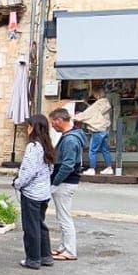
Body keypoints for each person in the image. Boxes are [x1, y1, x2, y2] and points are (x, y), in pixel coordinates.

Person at [12, 114, 56, 269]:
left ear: (34, 128)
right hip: (43, 192)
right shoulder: (47, 145)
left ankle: (33, 258)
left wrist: (17, 183)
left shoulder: (33, 147)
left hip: (32, 193)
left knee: (31, 227)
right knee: (40, 224)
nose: (27, 129)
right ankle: (46, 256)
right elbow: (50, 169)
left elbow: (28, 171)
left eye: (29, 126)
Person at [48, 107, 87, 261]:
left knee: (64, 217)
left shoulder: (70, 139)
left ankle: (70, 250)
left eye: (53, 122)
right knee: (62, 216)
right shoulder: (72, 136)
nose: (52, 126)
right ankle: (63, 247)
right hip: (67, 182)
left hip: (65, 182)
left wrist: (55, 182)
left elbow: (67, 165)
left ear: (59, 120)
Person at [75, 84, 113, 175]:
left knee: (92, 150)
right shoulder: (106, 102)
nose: (93, 96)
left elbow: (89, 113)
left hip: (98, 130)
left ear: (97, 94)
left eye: (94, 94)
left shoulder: (97, 104)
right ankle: (109, 168)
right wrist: (87, 104)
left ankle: (92, 169)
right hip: (105, 129)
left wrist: (74, 117)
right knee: (105, 149)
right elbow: (95, 111)